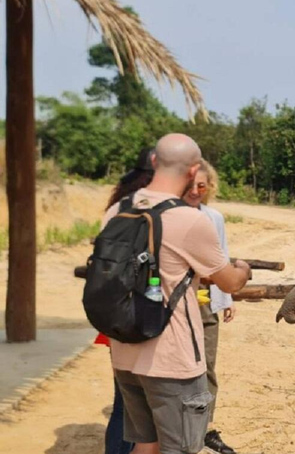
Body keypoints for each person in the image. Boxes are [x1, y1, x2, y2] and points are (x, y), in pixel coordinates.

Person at [104, 134, 251, 454]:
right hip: (171, 360)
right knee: (180, 447)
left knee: (145, 443)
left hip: (125, 351)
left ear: (155, 162)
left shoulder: (119, 208)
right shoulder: (190, 220)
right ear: (193, 170)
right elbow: (228, 282)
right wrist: (244, 268)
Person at [97, 147, 156, 454]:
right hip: (143, 316)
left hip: (113, 315)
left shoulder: (116, 207)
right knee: (141, 403)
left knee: (123, 399)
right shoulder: (156, 209)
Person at [181, 159, 238, 454]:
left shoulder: (214, 217)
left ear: (209, 187)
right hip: (176, 305)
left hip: (206, 302)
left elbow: (222, 258)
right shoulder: (169, 216)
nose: (195, 191)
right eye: (190, 185)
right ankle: (180, 429)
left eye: (201, 186)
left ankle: (204, 429)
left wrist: (225, 299)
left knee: (207, 367)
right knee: (179, 368)